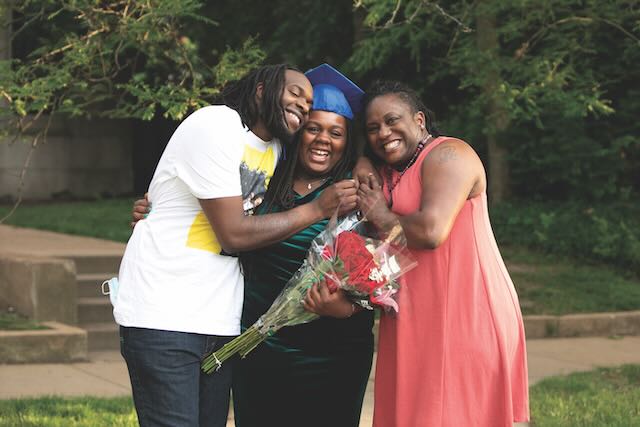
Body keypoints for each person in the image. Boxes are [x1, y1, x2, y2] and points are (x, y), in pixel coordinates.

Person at [115, 64, 358, 427]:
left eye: (308, 102)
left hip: (221, 321)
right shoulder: (215, 125)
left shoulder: (275, 151)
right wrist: (317, 210)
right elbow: (234, 232)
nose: (303, 107)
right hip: (164, 313)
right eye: (295, 95)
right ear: (261, 90)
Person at [356, 81, 530, 427]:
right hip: (412, 319)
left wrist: (380, 214)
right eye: (373, 128)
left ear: (419, 119)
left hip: (464, 310)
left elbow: (431, 232)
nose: (383, 133)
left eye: (392, 121)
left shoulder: (451, 155)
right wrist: (361, 161)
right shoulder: (392, 170)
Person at [232, 64, 374, 427]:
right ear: (298, 132)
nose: (323, 139)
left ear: (347, 141)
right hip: (262, 345)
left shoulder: (354, 192)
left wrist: (347, 308)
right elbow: (220, 218)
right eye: (313, 128)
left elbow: (376, 274)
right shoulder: (265, 178)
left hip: (334, 353)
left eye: (336, 132)